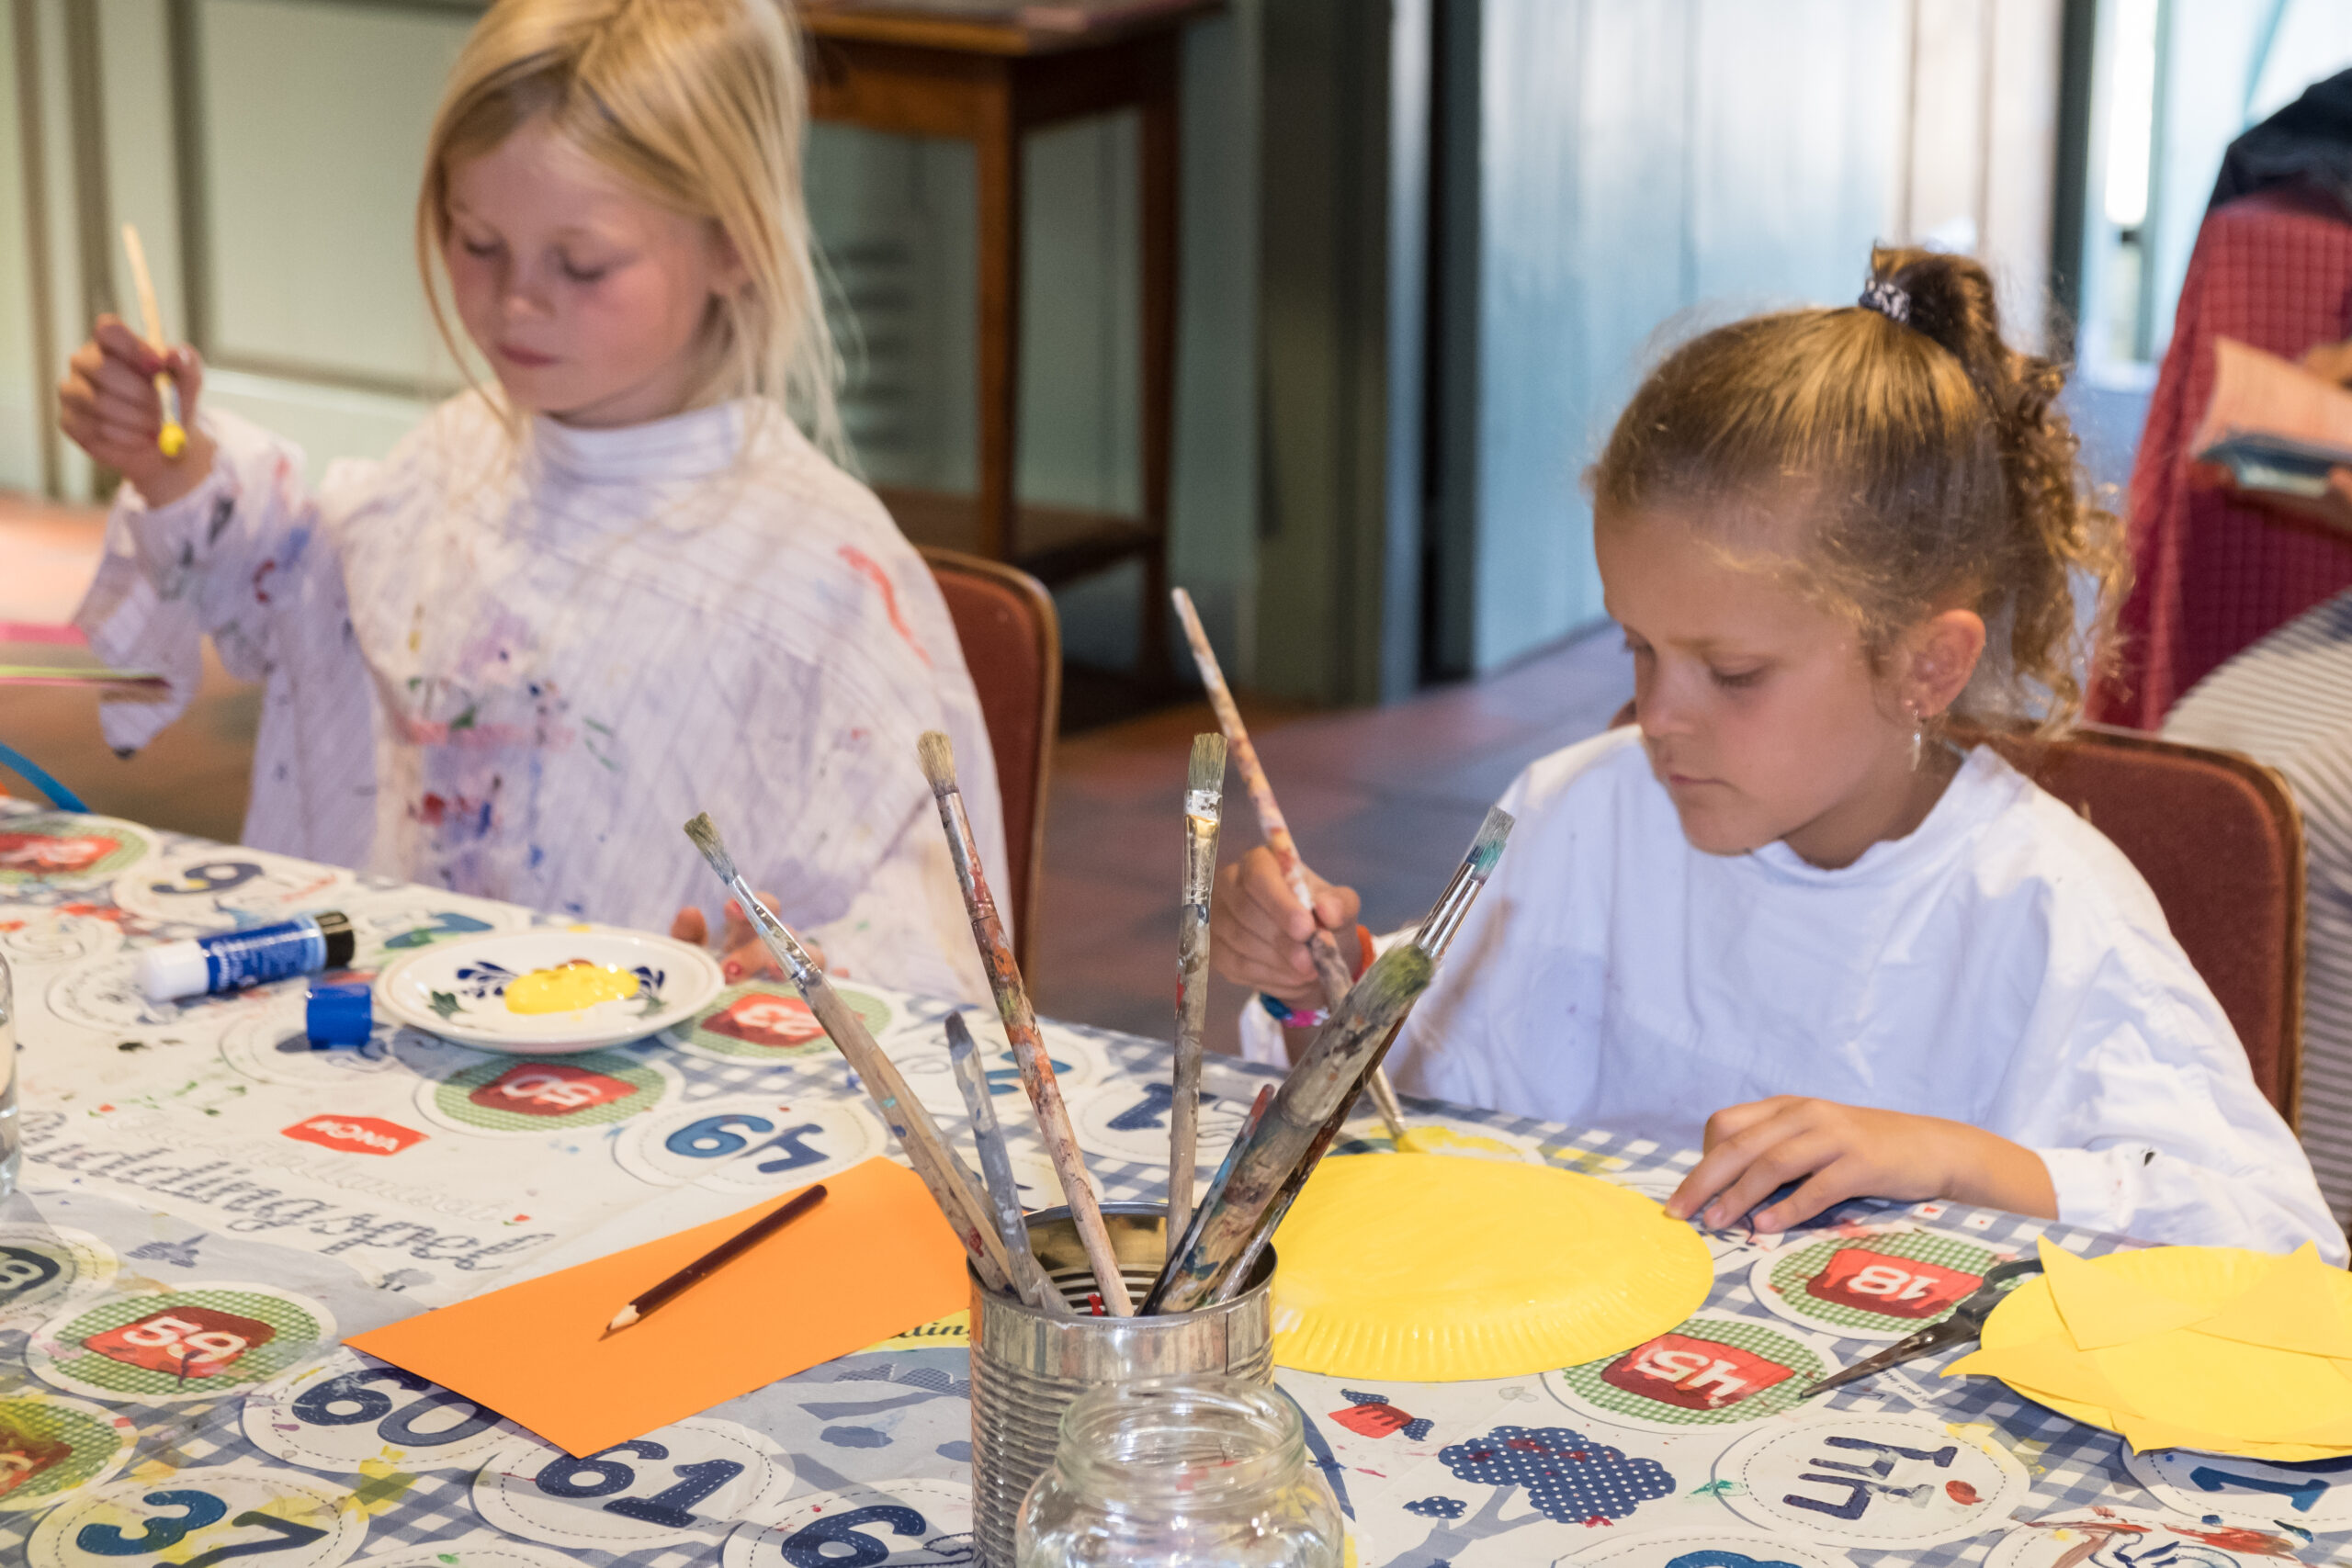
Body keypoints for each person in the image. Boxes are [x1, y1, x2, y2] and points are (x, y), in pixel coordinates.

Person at [1215, 246, 2341, 1258]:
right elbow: (1406, 1105)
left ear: (1926, 666)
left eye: (1734, 672)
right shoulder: (1579, 813)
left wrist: (1954, 1160)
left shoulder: (2044, 907)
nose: (1657, 714)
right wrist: (1319, 989)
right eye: (1638, 647)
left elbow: (2277, 1239)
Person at [59, 0, 1002, 1004]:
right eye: (477, 244)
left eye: (581, 264)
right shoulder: (447, 463)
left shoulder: (825, 576)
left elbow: (935, 935)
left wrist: (806, 978)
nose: (516, 300)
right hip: (399, 1052)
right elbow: (286, 587)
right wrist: (173, 465)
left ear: (735, 244)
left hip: (663, 1090)